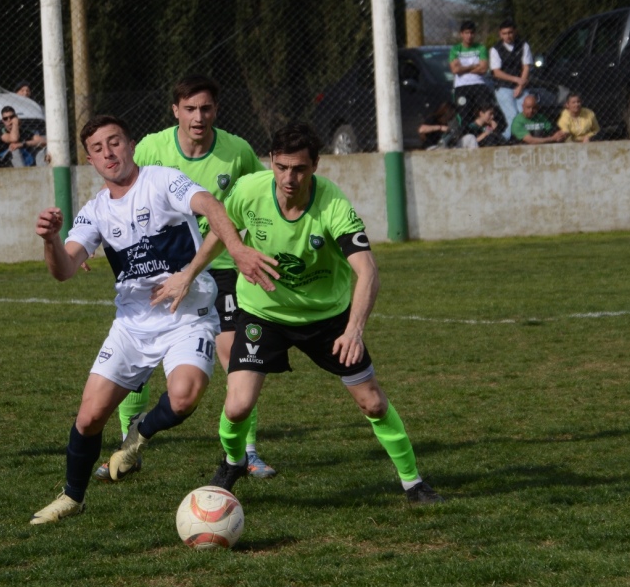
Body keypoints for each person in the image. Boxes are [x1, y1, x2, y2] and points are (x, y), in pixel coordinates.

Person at [154, 122, 443, 504]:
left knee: (371, 401)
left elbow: (367, 270)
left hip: (327, 318)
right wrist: (189, 274)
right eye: (282, 167)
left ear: (316, 166)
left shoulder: (333, 204)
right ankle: (233, 461)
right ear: (271, 162)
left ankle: (413, 483)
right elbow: (220, 232)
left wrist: (354, 330)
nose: (289, 178)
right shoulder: (249, 191)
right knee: (238, 405)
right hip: (263, 312)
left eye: (300, 169)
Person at [28, 114, 279, 524]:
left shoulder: (162, 180)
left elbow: (211, 205)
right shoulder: (95, 212)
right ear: (90, 160)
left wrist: (229, 253)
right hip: (132, 325)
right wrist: (50, 240)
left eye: (115, 142)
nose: (109, 153)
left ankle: (138, 435)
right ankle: (72, 497)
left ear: (130, 144)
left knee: (183, 397)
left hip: (188, 315)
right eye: (98, 148)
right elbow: (64, 269)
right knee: (89, 418)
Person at [97, 74, 277, 482]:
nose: (199, 117)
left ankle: (246, 452)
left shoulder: (238, 151)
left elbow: (260, 197)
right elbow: (120, 194)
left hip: (224, 271)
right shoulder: (151, 148)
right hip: (162, 272)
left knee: (238, 357)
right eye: (190, 109)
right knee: (140, 363)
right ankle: (130, 446)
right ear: (175, 110)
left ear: (217, 110)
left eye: (206, 108)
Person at [450, 20, 500, 133]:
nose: (469, 36)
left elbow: (483, 69)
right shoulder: (455, 49)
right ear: (461, 34)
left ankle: (487, 135)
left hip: (479, 84)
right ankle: (467, 136)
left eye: (472, 33)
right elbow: (455, 69)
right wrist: (473, 66)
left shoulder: (480, 48)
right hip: (461, 86)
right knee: (464, 114)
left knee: (487, 111)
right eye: (466, 33)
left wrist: (463, 68)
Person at [490, 20, 533, 141]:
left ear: (515, 32)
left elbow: (526, 67)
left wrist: (520, 86)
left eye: (510, 32)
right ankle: (505, 139)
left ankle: (508, 139)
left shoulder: (523, 45)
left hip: (521, 87)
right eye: (504, 33)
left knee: (525, 115)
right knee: (513, 116)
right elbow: (497, 72)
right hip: (503, 87)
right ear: (500, 34)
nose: (507, 36)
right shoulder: (495, 49)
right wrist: (516, 79)